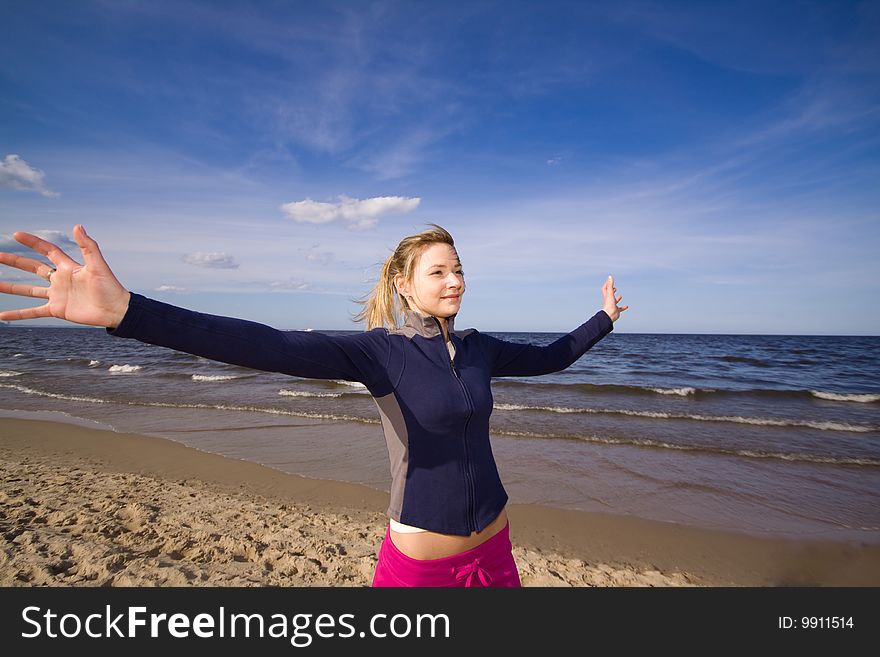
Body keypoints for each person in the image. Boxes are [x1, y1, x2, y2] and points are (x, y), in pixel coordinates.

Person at [0, 223, 628, 587]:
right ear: (403, 284)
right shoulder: (379, 353)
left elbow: (554, 356)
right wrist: (129, 313)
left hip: (495, 553)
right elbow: (264, 343)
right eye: (438, 271)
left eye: (459, 269)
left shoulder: (481, 349)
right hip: (420, 569)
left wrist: (602, 319)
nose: (455, 280)